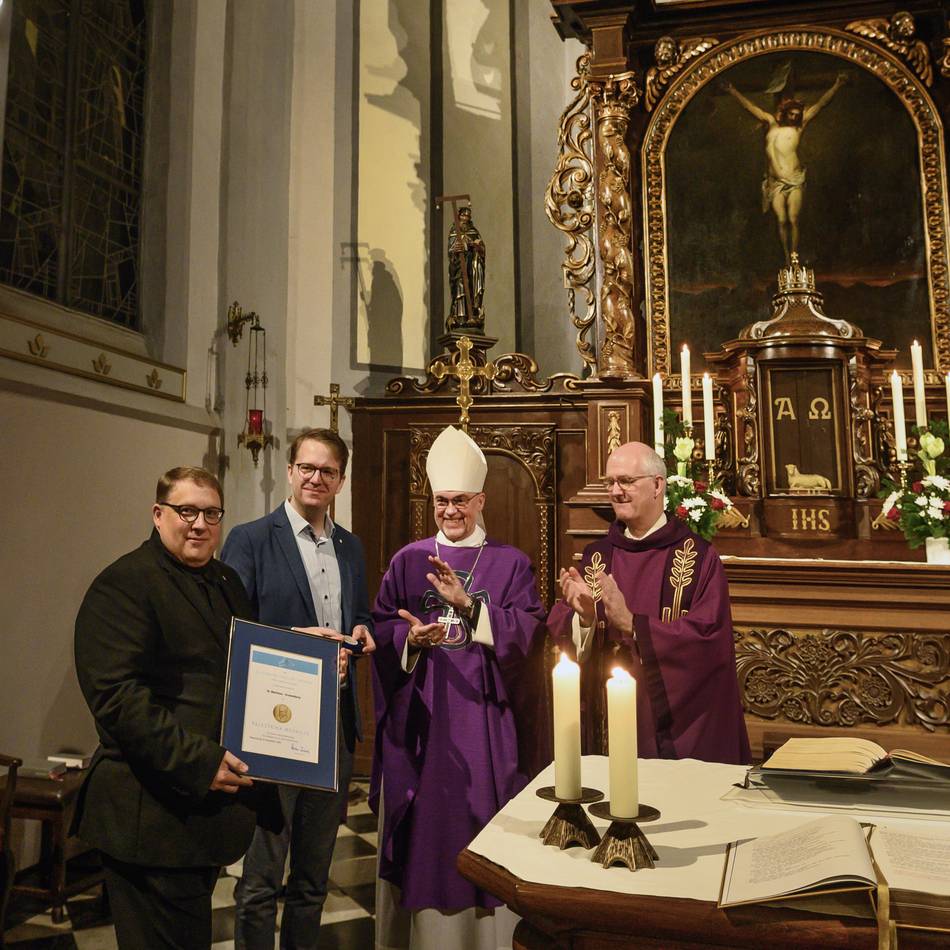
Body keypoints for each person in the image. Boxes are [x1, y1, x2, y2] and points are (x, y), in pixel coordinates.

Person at [74, 466, 276, 949]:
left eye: (211, 513)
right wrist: (201, 763)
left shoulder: (225, 579)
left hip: (200, 820)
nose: (199, 524)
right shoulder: (124, 584)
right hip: (150, 816)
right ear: (159, 514)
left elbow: (243, 664)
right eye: (187, 511)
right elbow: (118, 701)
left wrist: (302, 654)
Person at [371, 425, 547, 950]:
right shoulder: (409, 559)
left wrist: (472, 608)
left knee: (484, 819)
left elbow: (531, 631)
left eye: (461, 501)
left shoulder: (510, 563)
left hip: (485, 722)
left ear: (481, 500)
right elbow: (381, 625)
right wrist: (409, 638)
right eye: (442, 501)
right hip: (425, 724)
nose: (450, 511)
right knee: (427, 829)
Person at [221, 428, 375, 950]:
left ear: (340, 481)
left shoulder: (349, 545)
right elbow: (229, 626)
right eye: (306, 467)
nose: (315, 478)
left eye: (327, 471)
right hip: (275, 720)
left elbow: (356, 614)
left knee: (312, 878)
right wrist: (295, 641)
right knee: (262, 876)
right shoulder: (251, 538)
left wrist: (359, 631)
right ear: (290, 471)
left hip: (333, 721)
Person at [547, 442, 750, 764]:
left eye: (626, 481)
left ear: (658, 485)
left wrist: (633, 625)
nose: (615, 491)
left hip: (675, 726)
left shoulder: (698, 558)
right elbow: (562, 631)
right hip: (607, 725)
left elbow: (709, 640)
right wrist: (584, 620)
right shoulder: (597, 556)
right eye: (610, 483)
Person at [722, 74, 847, 260]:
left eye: (797, 115)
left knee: (793, 219)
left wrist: (837, 85)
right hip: (775, 183)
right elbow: (751, 107)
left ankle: (795, 256)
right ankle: (786, 257)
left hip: (794, 179)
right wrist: (732, 90)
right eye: (792, 114)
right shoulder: (770, 123)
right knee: (781, 220)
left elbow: (820, 105)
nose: (795, 117)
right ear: (785, 112)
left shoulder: (799, 127)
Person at [447, 205, 485, 329]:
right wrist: (455, 250)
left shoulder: (473, 231)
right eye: (463, 215)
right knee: (460, 288)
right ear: (459, 217)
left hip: (471, 266)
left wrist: (475, 246)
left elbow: (481, 248)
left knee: (470, 287)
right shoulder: (454, 231)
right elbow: (450, 250)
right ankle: (459, 315)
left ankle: (472, 314)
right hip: (458, 267)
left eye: (468, 216)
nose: (465, 219)